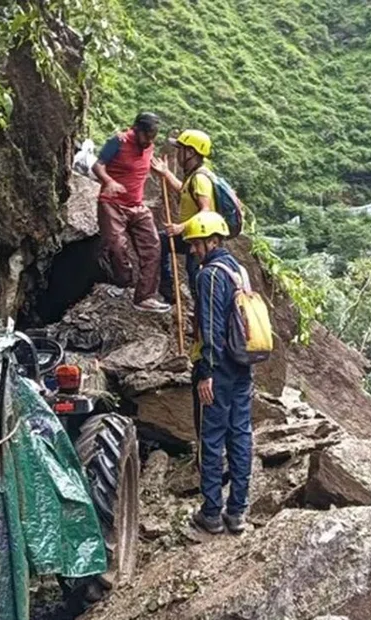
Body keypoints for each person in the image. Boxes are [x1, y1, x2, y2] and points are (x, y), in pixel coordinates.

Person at [181, 211, 253, 535]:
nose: (193, 250)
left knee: (211, 437)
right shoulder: (239, 270)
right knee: (240, 434)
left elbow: (210, 327)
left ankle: (211, 512)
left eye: (197, 243)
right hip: (242, 363)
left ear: (212, 241)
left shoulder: (209, 275)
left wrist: (206, 371)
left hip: (218, 367)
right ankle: (237, 512)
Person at [93, 112, 170, 313]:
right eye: (147, 136)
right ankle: (125, 284)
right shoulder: (118, 142)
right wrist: (109, 181)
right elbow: (97, 165)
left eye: (153, 137)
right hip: (112, 204)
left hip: (137, 205)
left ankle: (145, 297)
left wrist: (161, 171)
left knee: (153, 247)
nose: (150, 141)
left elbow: (142, 166)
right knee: (117, 246)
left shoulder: (149, 147)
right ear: (137, 130)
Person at [150, 129, 214, 300]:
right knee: (161, 241)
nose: (178, 153)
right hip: (190, 233)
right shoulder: (192, 176)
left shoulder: (200, 179)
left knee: (194, 275)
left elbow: (206, 210)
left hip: (200, 237)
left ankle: (202, 310)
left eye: (181, 149)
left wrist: (181, 227)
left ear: (190, 152)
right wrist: (166, 173)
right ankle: (168, 290)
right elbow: (183, 190)